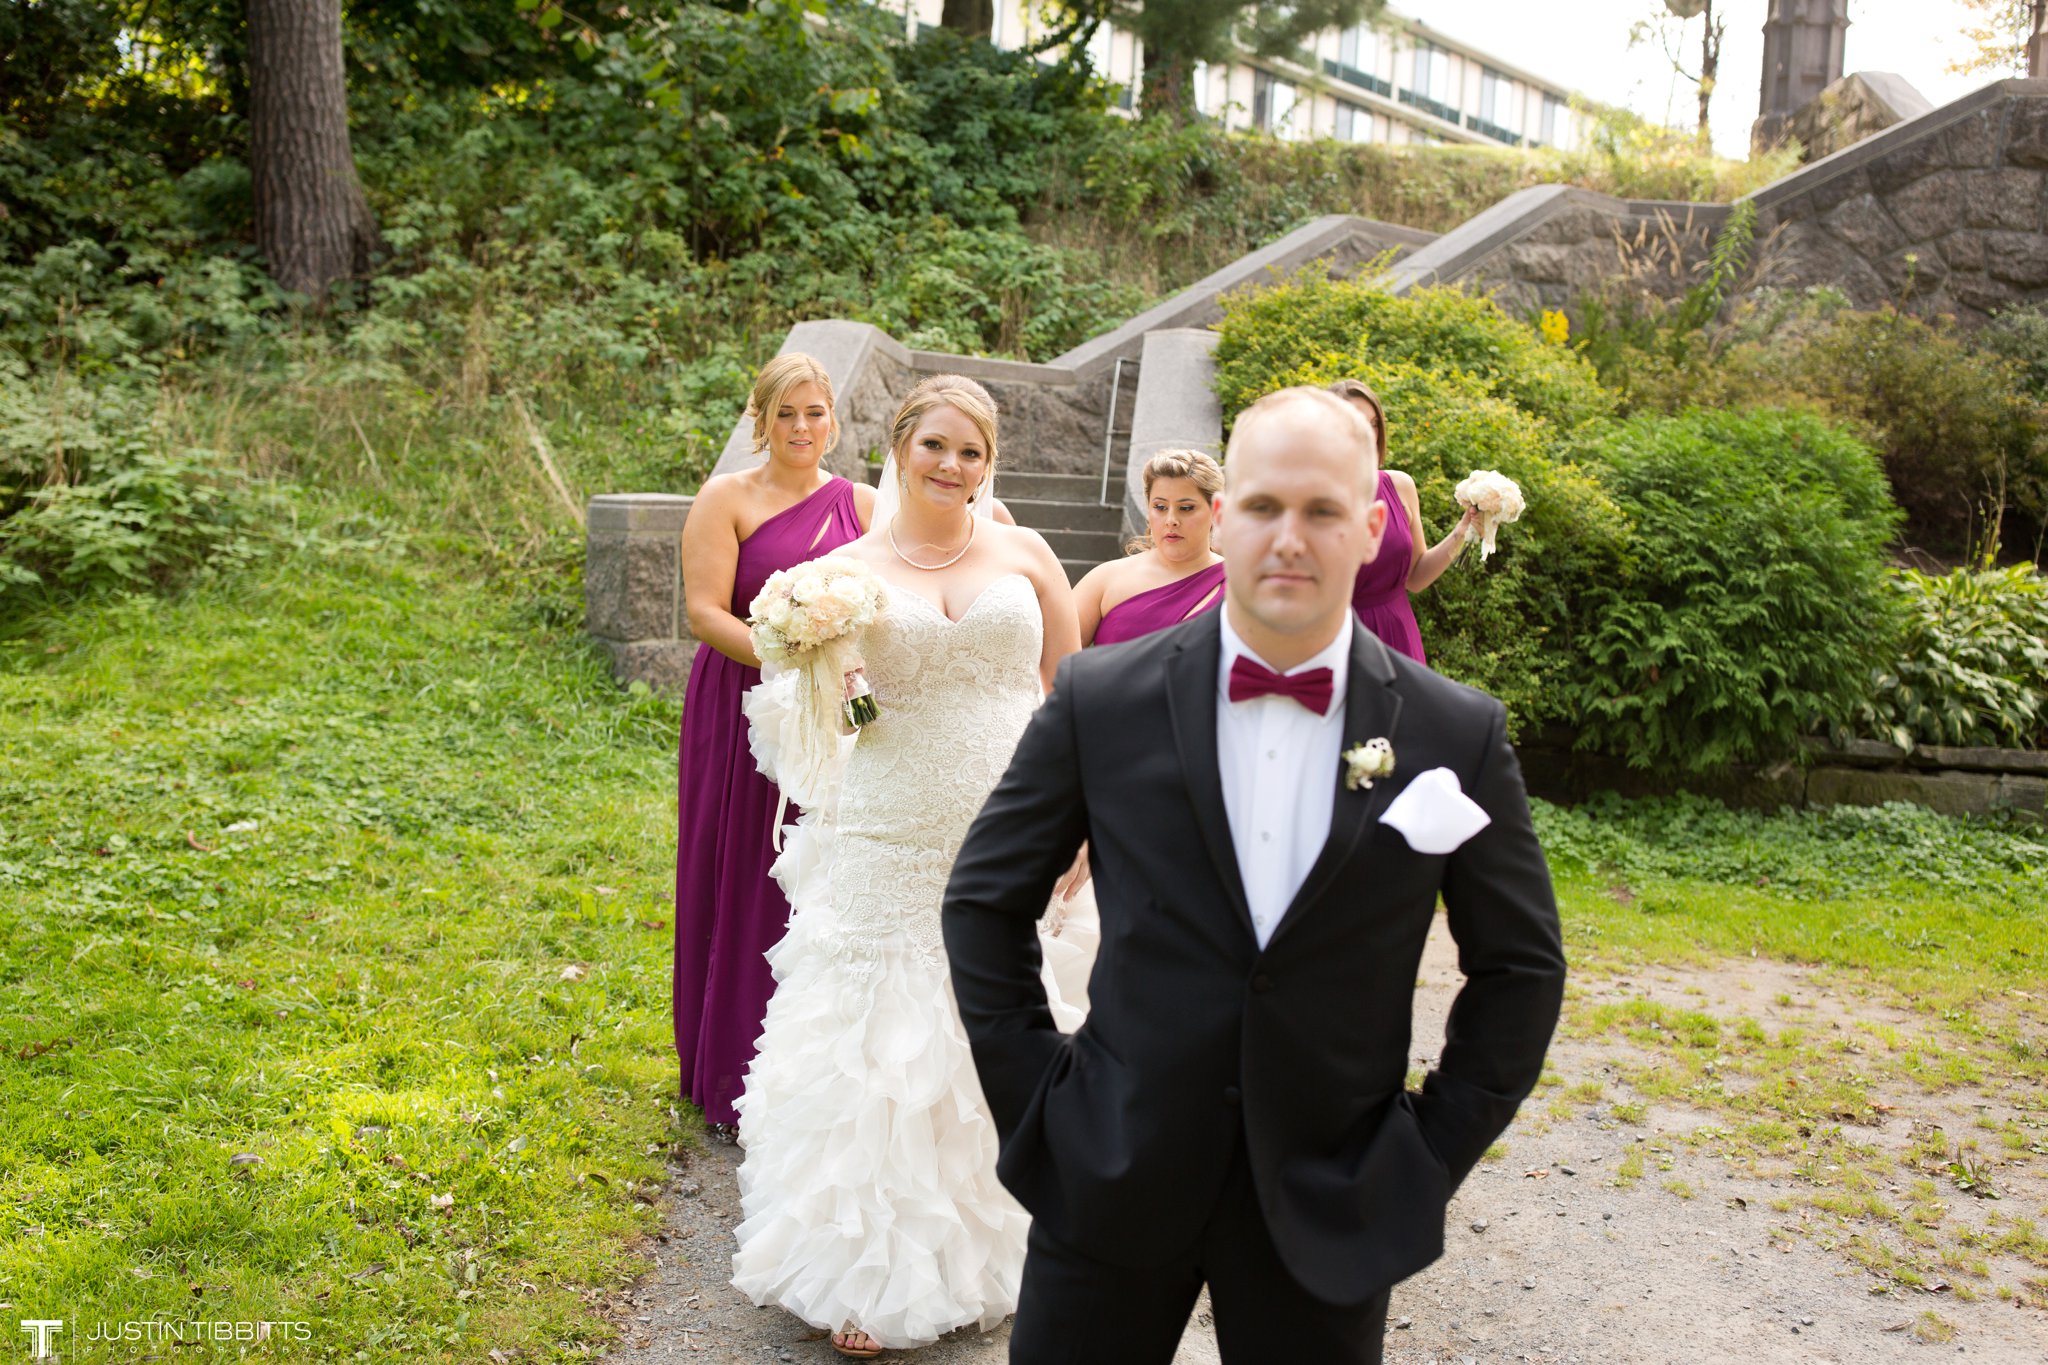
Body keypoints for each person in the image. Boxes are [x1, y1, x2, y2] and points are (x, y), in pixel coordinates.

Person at [942, 386, 1566, 1365]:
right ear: (1225, 518)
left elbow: (1521, 967)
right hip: (1111, 1169)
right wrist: (1044, 1103)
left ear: (1371, 530)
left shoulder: (1457, 733)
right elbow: (984, 901)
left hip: (1332, 1193)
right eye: (1266, 506)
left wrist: (1426, 1151)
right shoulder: (1103, 698)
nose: (1289, 538)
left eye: (1322, 511)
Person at [731, 374, 1085, 1358]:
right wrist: (827, 670)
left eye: (971, 451)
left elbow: (1073, 691)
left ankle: (1001, 1244)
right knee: (880, 1032)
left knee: (998, 1022)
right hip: (889, 826)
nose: (951, 465)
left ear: (988, 462)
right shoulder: (840, 571)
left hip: (1011, 825)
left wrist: (1085, 818)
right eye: (935, 445)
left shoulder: (1026, 553)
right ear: (898, 447)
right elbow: (827, 713)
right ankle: (864, 1271)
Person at [672, 353, 874, 1144]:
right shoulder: (726, 498)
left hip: (837, 711)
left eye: (814, 411)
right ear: (759, 419)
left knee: (824, 870)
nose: (801, 427)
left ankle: (812, 1074)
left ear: (833, 419)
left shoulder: (862, 502)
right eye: (785, 412)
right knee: (742, 866)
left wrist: (850, 689)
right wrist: (788, 656)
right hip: (742, 706)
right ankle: (727, 1069)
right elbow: (703, 611)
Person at [1329, 378, 1479, 665]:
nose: (1368, 434)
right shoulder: (1309, 497)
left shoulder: (1399, 486)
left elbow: (1416, 578)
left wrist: (1462, 530)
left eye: (1374, 424)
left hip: (1399, 636)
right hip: (1338, 641)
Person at [1073, 449, 1227, 647]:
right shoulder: (1105, 579)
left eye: (1186, 508)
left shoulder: (1238, 588)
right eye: (1160, 507)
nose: (1171, 520)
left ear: (1215, 510)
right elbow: (1054, 657)